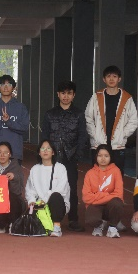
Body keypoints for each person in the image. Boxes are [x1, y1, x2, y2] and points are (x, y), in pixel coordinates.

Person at [42, 80, 88, 232]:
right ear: (58, 94)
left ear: (74, 95)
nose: (66, 96)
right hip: (53, 158)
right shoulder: (50, 114)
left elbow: (82, 136)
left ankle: (73, 219)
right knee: (49, 187)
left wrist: (77, 155)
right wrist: (45, 155)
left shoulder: (79, 114)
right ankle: (49, 217)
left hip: (70, 158)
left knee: (72, 190)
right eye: (63, 93)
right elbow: (45, 136)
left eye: (69, 93)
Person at [85, 65, 138, 176]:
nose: (111, 79)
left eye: (114, 76)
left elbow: (133, 120)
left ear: (119, 79)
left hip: (118, 146)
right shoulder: (96, 97)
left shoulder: (127, 98)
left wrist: (123, 134)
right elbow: (88, 118)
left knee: (116, 176)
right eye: (108, 76)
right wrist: (94, 135)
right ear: (104, 79)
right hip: (98, 144)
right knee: (97, 176)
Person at [25, 140, 70, 237]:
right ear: (39, 152)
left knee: (56, 196)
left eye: (48, 148)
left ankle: (57, 227)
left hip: (56, 204)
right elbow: (30, 189)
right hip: (40, 205)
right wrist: (31, 201)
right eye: (42, 148)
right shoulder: (34, 169)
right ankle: (44, 227)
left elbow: (61, 190)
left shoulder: (60, 168)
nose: (45, 150)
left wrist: (44, 200)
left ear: (53, 152)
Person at [0, 75, 29, 165]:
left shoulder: (21, 107)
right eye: (3, 84)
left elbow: (24, 128)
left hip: (15, 153)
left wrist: (8, 122)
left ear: (13, 88)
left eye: (9, 84)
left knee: (14, 174)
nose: (6, 87)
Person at [82, 144, 124, 238]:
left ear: (110, 157)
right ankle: (98, 225)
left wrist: (97, 197)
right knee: (91, 220)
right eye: (100, 155)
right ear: (96, 157)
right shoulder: (90, 173)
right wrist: (106, 195)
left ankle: (112, 227)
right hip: (96, 206)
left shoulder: (116, 171)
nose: (103, 159)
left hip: (109, 205)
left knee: (117, 203)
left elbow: (119, 194)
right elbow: (86, 197)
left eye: (106, 156)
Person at [0, 141, 25, 233]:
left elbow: (19, 189)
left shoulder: (16, 167)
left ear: (10, 154)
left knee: (11, 197)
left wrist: (14, 177)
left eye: (6, 152)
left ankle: (13, 223)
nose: (2, 155)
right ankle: (0, 224)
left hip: (13, 203)